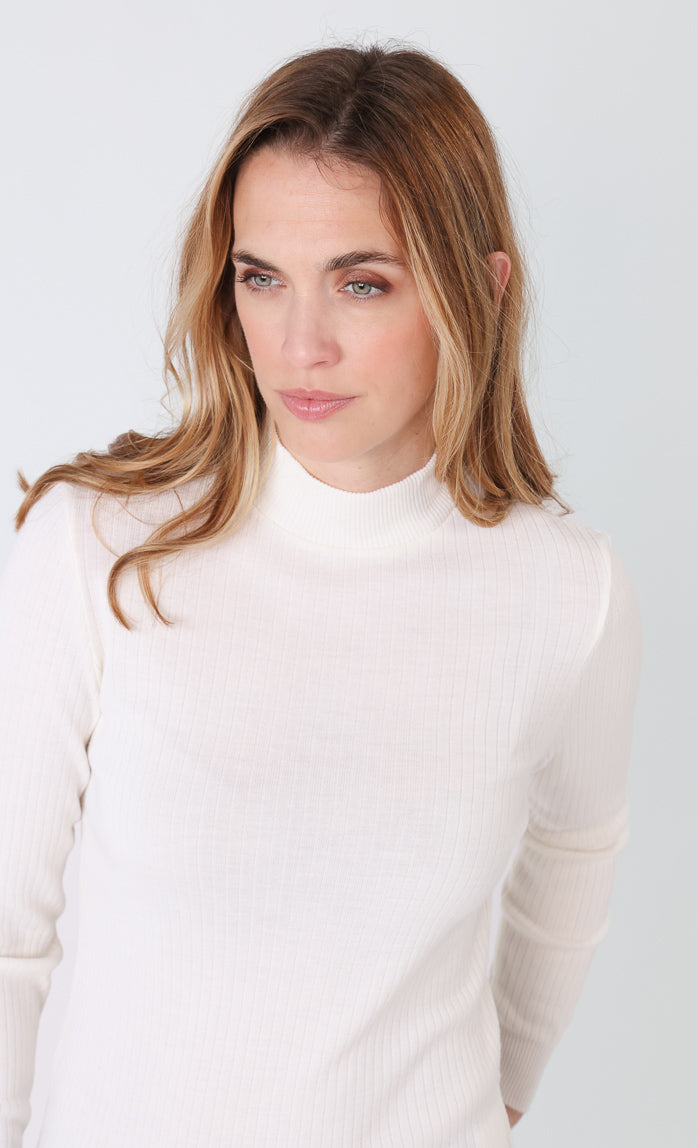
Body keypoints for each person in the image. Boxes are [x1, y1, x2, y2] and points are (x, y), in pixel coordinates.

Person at [0, 43, 642, 1148]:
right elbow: (8, 930)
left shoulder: (567, 592)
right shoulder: (97, 548)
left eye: (362, 282)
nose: (300, 346)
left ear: (478, 291)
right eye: (262, 277)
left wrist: (503, 1087)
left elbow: (576, 849)